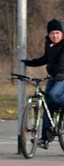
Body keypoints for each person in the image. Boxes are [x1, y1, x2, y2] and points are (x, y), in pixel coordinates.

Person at [22, 19, 64, 148]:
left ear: (62, 34)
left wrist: (61, 72)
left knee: (53, 95)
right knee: (47, 106)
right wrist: (30, 62)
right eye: (52, 33)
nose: (55, 35)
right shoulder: (49, 44)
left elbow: (63, 60)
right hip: (52, 78)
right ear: (48, 35)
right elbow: (46, 59)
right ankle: (44, 138)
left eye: (57, 33)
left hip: (62, 76)